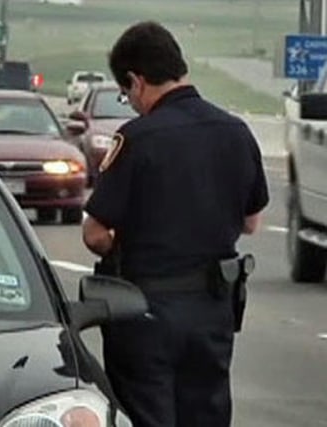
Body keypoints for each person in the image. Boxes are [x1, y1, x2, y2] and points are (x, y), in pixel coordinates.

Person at [81, 21, 269, 427]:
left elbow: (95, 234)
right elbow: (252, 222)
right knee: (207, 414)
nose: (129, 102)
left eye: (125, 92)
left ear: (136, 80)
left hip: (146, 313)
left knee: (147, 415)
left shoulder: (137, 138)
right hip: (213, 312)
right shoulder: (236, 132)